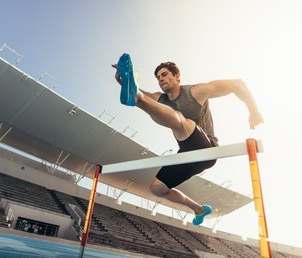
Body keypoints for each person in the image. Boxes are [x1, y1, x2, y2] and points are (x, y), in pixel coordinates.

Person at [112, 53, 263, 226]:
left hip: (207, 150)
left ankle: (137, 100)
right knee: (157, 188)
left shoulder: (196, 92)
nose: (161, 79)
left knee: (181, 120)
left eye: (165, 74)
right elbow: (137, 90)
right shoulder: (158, 98)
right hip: (187, 154)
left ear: (177, 77)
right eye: (158, 77)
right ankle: (199, 209)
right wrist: (122, 79)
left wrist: (254, 111)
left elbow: (237, 84)